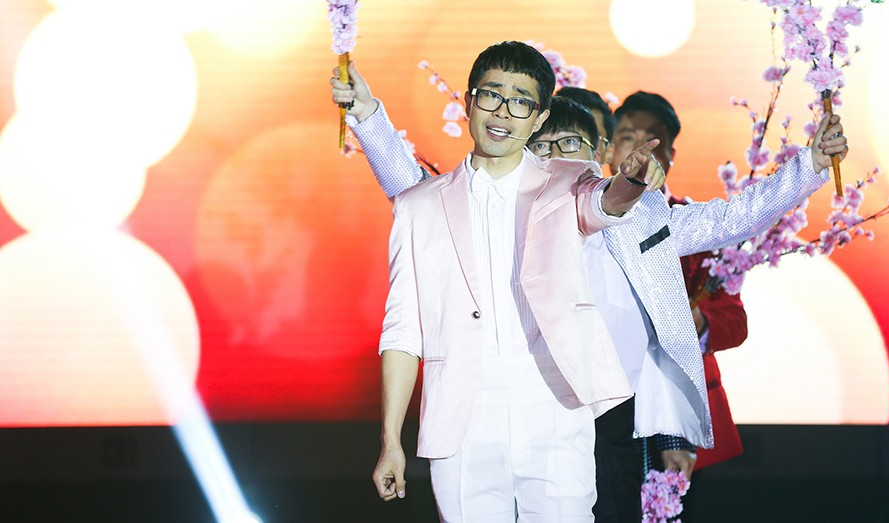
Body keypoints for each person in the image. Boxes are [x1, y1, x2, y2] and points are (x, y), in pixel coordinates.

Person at [332, 61, 849, 521]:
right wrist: (368, 117)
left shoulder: (635, 218)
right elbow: (414, 192)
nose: (556, 156)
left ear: (599, 151)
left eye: (570, 145)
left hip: (613, 411)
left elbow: (729, 220)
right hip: (513, 402)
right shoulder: (504, 205)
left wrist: (810, 167)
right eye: (544, 147)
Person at [367, 41, 665, 521]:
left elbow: (604, 203)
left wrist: (630, 182)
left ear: (539, 118)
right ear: (469, 102)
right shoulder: (418, 207)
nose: (503, 111)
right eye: (492, 95)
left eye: (521, 101)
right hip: (462, 413)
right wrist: (391, 440)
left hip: (553, 403)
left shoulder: (569, 180)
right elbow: (402, 332)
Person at [608, 91, 750, 511]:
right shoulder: (585, 218)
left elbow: (734, 322)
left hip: (679, 411)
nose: (640, 147)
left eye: (653, 138)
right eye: (628, 136)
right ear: (609, 148)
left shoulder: (696, 225)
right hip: (608, 403)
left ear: (671, 153)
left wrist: (697, 321)